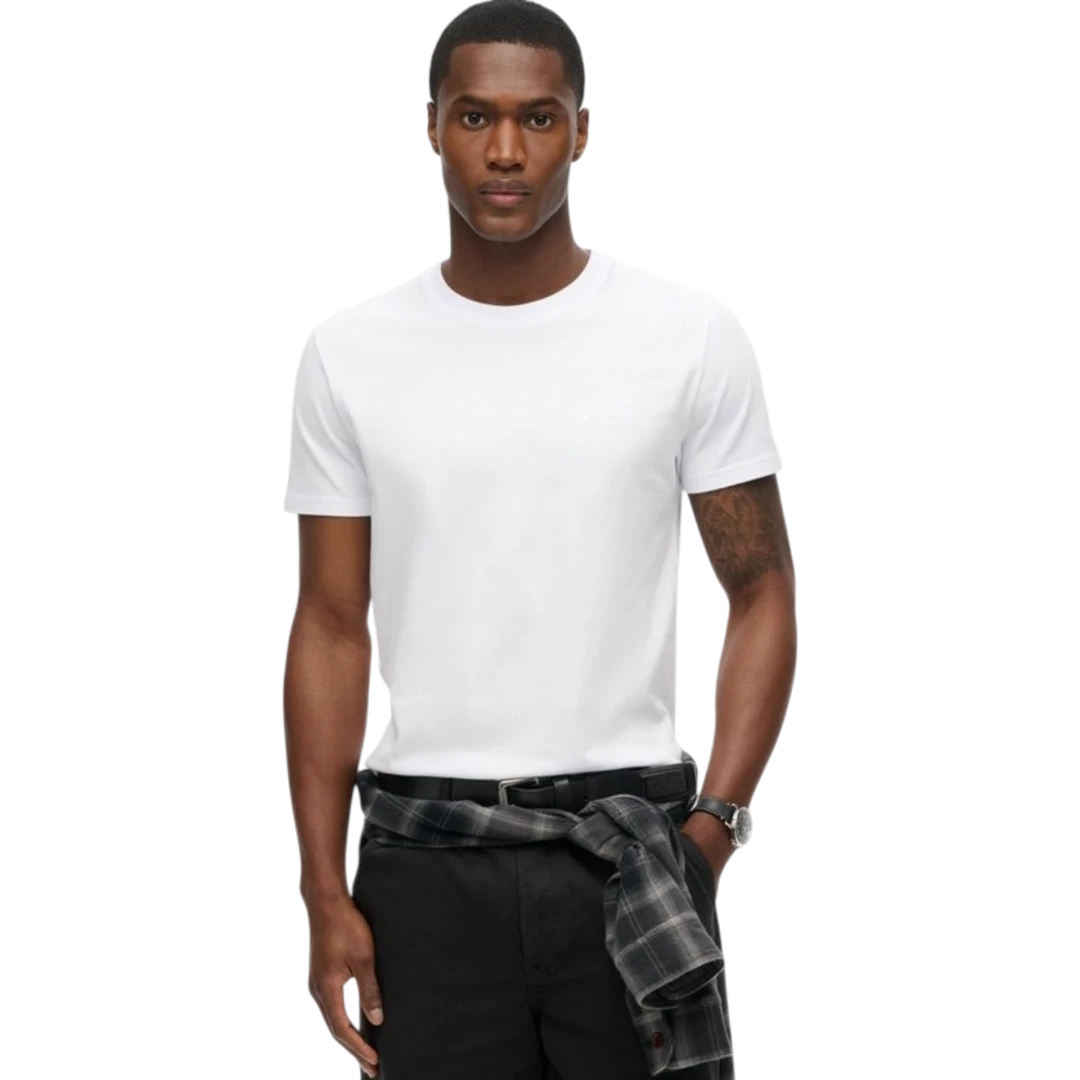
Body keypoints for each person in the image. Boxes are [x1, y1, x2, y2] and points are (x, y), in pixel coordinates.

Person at [282, 2, 797, 1077]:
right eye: (476, 117)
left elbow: (760, 591)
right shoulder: (348, 352)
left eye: (539, 117)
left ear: (584, 130)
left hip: (630, 849)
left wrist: (712, 830)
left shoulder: (690, 337)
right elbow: (330, 623)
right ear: (432, 127)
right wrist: (325, 891)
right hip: (424, 861)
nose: (507, 151)